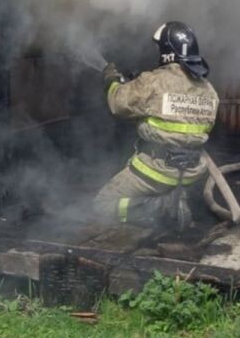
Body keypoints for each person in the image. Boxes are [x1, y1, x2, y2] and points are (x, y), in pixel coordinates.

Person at [93, 21, 219, 229]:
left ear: (167, 50)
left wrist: (112, 79)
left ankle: (160, 207)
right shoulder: (209, 90)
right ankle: (176, 197)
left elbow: (118, 104)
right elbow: (177, 118)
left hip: (158, 170)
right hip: (192, 171)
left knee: (102, 204)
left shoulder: (153, 82)